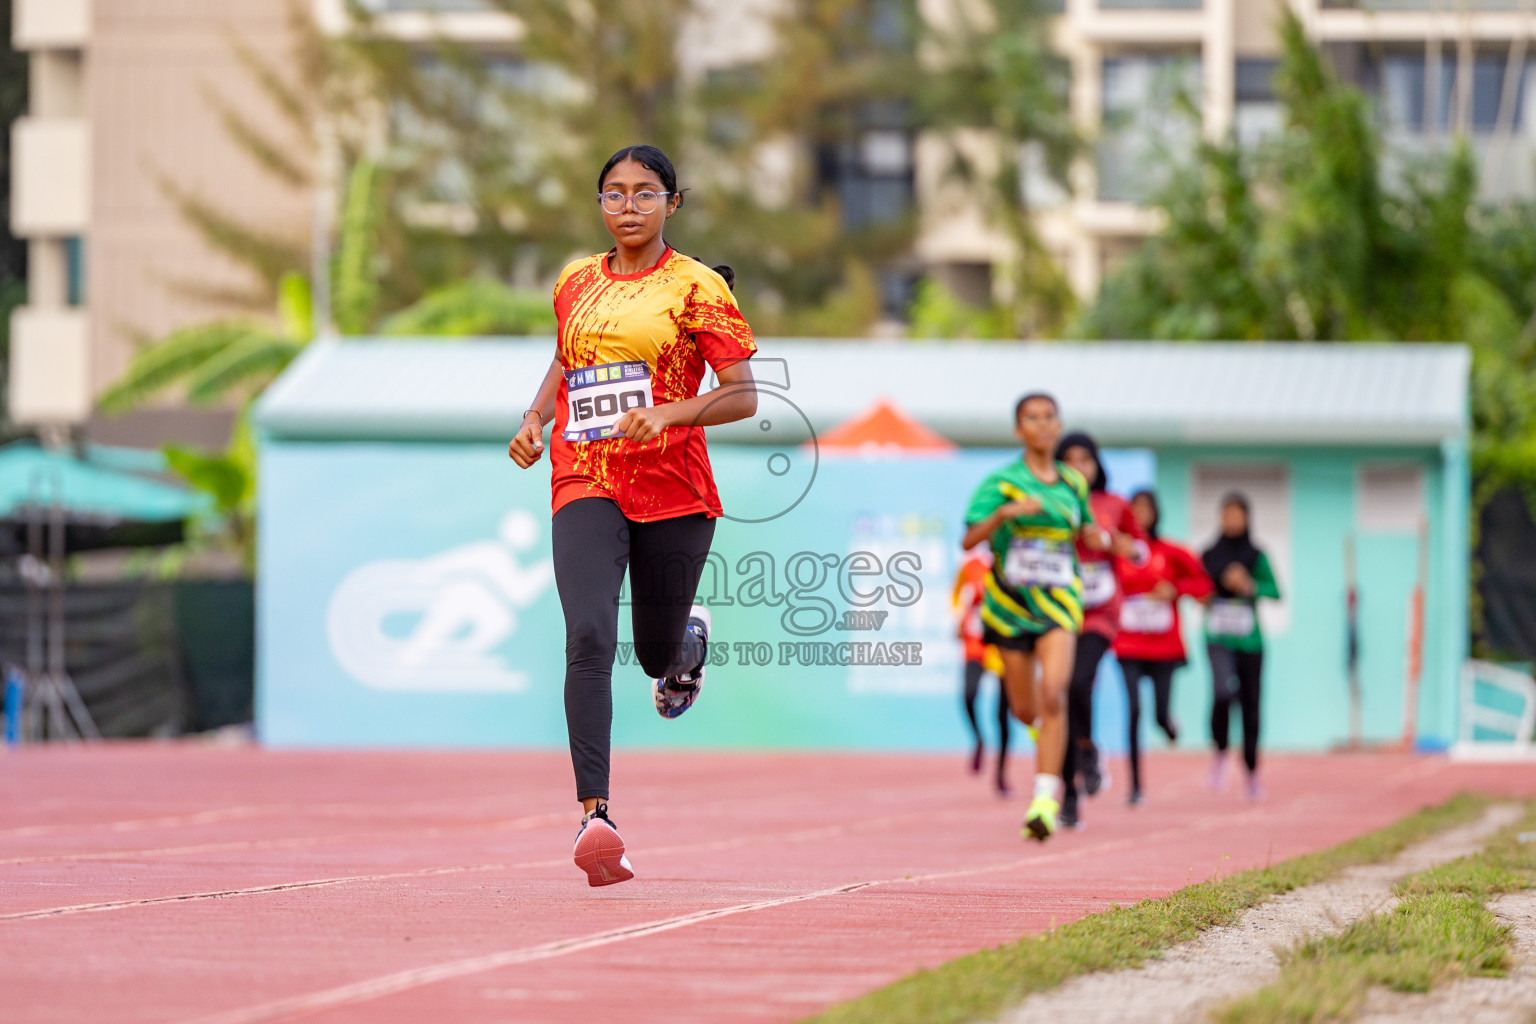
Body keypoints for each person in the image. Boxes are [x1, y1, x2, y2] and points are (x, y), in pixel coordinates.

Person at [507, 144, 758, 886]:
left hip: (674, 490)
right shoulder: (574, 281)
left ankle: (686, 647)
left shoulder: (697, 287)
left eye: (645, 194)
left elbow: (743, 395)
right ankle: (596, 816)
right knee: (586, 633)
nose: (627, 207)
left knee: (651, 654)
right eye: (613, 194)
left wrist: (669, 414)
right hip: (584, 474)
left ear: (671, 205)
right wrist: (533, 418)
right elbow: (567, 360)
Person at [962, 394, 1110, 841]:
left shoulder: (1072, 483)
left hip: (1060, 603)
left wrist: (1100, 538)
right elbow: (969, 540)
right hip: (1010, 609)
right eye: (1032, 418)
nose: (1043, 425)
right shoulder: (1002, 482)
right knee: (1026, 708)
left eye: (1049, 417)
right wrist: (1006, 514)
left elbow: (1084, 530)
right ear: (1018, 430)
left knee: (1054, 693)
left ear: (1059, 425)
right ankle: (1051, 744)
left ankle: (1046, 800)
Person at [1054, 432, 1146, 829]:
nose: (1078, 467)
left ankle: (1088, 751)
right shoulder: (1047, 503)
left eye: (1085, 459)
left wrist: (1108, 541)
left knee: (1077, 682)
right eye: (1069, 459)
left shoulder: (1114, 504)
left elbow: (1141, 551)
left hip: (1099, 614)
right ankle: (1069, 796)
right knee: (1058, 699)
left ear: (1097, 465)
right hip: (1056, 610)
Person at [1114, 489, 1213, 805]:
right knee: (1133, 710)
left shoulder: (1171, 551)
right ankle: (1135, 785)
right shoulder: (1118, 553)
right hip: (1128, 642)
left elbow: (1203, 585)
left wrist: (1175, 589)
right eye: (1135, 509)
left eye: (1147, 508)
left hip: (1163, 646)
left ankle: (1168, 723)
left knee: (1157, 714)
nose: (1141, 515)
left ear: (1157, 513)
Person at [1201, 491, 1281, 800]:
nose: (1231, 520)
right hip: (1218, 638)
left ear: (1247, 518)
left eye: (1237, 514)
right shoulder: (1209, 555)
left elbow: (1275, 591)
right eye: (1226, 514)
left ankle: (1251, 770)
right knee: (1222, 693)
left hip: (1250, 641)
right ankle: (1220, 751)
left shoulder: (1257, 555)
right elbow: (1195, 586)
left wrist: (1250, 585)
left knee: (1251, 704)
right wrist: (1211, 589)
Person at [951, 549, 1013, 795]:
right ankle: (978, 738)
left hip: (1004, 645)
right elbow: (955, 596)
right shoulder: (971, 564)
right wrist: (957, 619)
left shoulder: (1011, 560)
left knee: (1003, 713)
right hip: (976, 643)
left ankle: (1001, 774)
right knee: (969, 693)